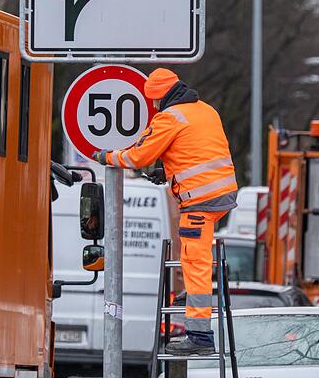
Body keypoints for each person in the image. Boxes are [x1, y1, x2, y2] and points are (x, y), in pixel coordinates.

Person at [92, 67, 238, 356]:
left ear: (159, 98)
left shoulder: (168, 118)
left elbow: (137, 156)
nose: (154, 106)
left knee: (195, 261)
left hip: (200, 200)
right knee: (190, 253)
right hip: (222, 195)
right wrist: (167, 170)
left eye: (154, 101)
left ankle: (200, 337)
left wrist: (105, 157)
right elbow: (196, 150)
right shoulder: (206, 110)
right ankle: (196, 296)